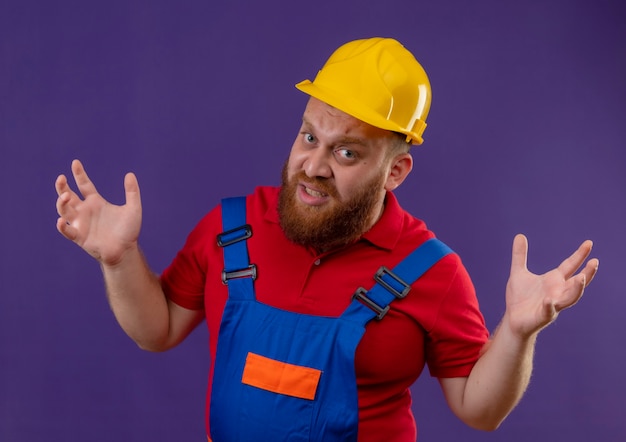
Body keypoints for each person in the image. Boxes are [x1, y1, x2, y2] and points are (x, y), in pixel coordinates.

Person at [54, 37, 599, 441]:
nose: (313, 166)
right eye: (309, 136)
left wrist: (520, 333)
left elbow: (480, 410)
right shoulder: (231, 230)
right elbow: (159, 328)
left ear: (396, 171)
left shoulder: (432, 272)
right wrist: (119, 258)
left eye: (346, 152)